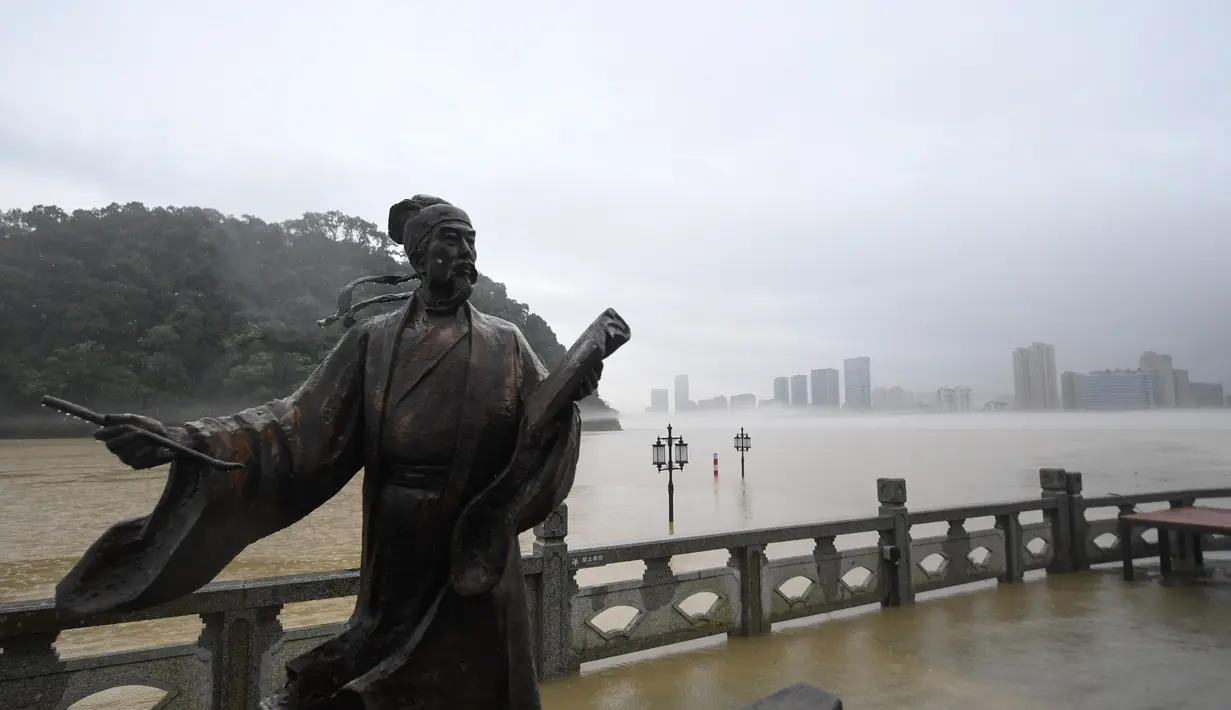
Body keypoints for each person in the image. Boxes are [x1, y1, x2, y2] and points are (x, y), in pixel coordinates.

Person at [57, 195, 599, 709]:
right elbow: (294, 425)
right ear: (417, 255)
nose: (466, 255)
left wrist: (570, 394)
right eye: (452, 241)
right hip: (400, 539)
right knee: (375, 674)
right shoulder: (375, 341)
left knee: (485, 681)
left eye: (471, 243)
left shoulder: (506, 343)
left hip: (474, 548)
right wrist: (187, 439)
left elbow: (541, 428)